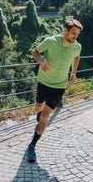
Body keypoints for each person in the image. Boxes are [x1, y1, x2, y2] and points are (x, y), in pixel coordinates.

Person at [27, 19, 83, 163]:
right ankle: (39, 110)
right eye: (73, 33)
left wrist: (74, 72)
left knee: (45, 116)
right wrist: (41, 62)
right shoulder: (50, 41)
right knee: (38, 107)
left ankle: (32, 146)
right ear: (65, 30)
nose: (75, 37)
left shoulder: (76, 46)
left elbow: (77, 57)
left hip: (59, 85)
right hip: (44, 81)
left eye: (77, 34)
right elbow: (35, 52)